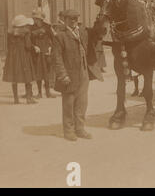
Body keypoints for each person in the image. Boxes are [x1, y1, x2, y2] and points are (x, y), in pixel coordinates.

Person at [53, 9, 103, 141]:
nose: (74, 21)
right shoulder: (60, 36)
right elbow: (57, 58)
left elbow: (98, 33)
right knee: (69, 103)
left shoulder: (82, 32)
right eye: (71, 19)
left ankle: (80, 129)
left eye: (76, 18)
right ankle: (68, 130)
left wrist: (101, 16)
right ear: (65, 20)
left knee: (82, 102)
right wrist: (63, 75)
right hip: (69, 75)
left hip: (83, 72)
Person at [2, 15, 37, 104]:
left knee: (14, 77)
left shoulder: (10, 33)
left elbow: (8, 45)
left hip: (12, 57)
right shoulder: (26, 32)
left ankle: (16, 99)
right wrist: (34, 47)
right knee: (28, 76)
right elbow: (28, 46)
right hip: (24, 55)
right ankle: (29, 99)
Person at [30, 8, 56, 98]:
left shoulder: (47, 27)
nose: (35, 20)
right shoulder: (31, 27)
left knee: (47, 72)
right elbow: (28, 40)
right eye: (34, 18)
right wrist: (34, 46)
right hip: (36, 53)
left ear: (41, 19)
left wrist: (50, 47)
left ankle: (48, 92)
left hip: (46, 52)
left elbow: (54, 39)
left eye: (36, 19)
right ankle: (40, 93)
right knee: (38, 72)